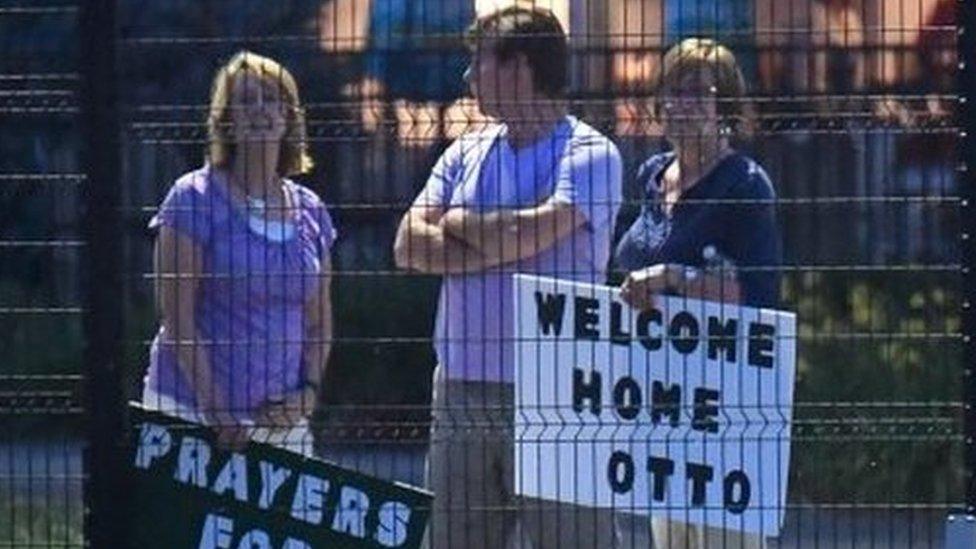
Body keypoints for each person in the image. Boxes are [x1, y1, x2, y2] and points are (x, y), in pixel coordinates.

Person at [393, 6, 622, 548]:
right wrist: (503, 246)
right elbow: (406, 244)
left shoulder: (591, 153)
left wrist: (455, 225)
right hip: (461, 388)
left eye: (479, 62)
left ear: (519, 67)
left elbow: (534, 231)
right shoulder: (464, 151)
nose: (468, 77)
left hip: (558, 390)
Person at [614, 38, 782, 548]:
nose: (680, 104)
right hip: (660, 400)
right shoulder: (650, 176)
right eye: (672, 91)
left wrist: (672, 279)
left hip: (722, 407)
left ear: (724, 108)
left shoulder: (745, 184)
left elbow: (757, 293)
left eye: (696, 93)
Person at [142, 51, 336, 457]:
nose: (259, 110)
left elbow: (319, 324)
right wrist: (218, 411)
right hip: (193, 415)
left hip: (282, 428)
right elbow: (179, 319)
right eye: (246, 100)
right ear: (226, 120)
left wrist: (307, 394)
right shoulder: (192, 199)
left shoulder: (313, 211)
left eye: (270, 99)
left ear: (288, 117)